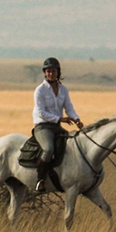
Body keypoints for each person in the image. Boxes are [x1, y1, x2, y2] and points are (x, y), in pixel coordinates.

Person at [32, 57, 84, 192]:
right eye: (48, 71)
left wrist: (76, 119)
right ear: (44, 73)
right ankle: (40, 180)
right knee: (48, 149)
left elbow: (69, 108)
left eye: (53, 71)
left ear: (58, 72)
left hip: (56, 127)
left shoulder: (63, 89)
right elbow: (41, 112)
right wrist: (60, 119)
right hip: (43, 126)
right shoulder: (40, 90)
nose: (51, 73)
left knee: (73, 147)